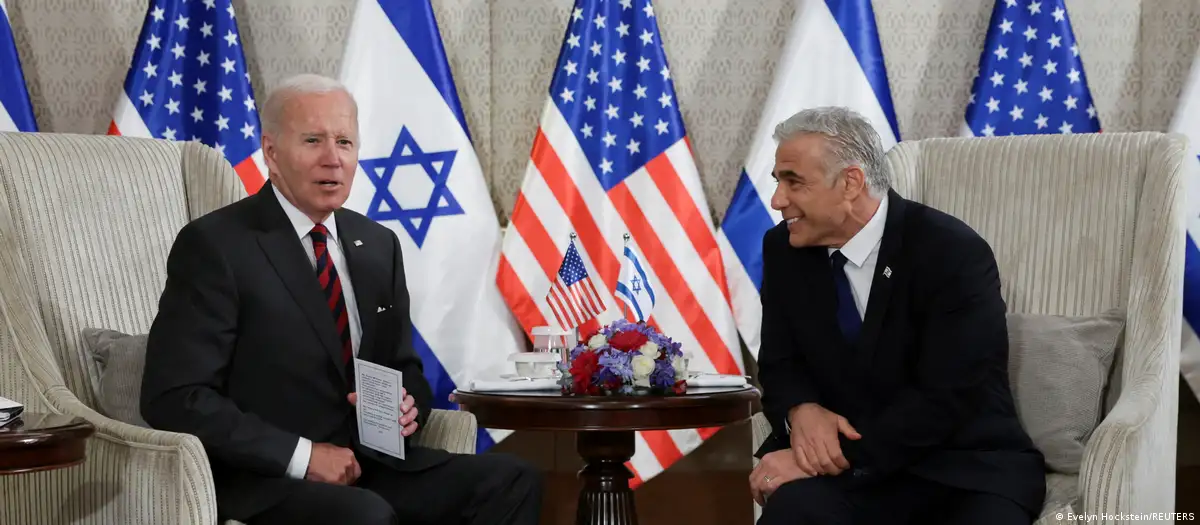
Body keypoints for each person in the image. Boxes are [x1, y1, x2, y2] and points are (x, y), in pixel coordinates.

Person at [140, 73, 541, 525]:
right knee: (366, 515)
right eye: (313, 141)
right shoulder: (216, 245)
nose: (333, 159)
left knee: (512, 480)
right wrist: (303, 456)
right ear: (271, 152)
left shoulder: (378, 244)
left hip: (371, 465)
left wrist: (407, 405)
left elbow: (403, 366)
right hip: (267, 476)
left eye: (345, 142)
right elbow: (174, 396)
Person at [749, 107, 1046, 525]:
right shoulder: (784, 250)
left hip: (959, 469)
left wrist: (823, 457)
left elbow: (949, 395)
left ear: (851, 182)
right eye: (778, 181)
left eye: (793, 182)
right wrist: (801, 409)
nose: (778, 200)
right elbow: (780, 361)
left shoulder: (951, 252)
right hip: (848, 484)